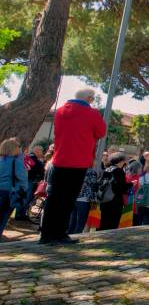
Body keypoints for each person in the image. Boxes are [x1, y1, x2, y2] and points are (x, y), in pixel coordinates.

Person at [39, 89, 106, 245]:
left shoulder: (60, 111)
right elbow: (101, 132)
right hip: (79, 162)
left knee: (54, 199)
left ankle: (46, 234)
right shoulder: (92, 113)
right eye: (92, 99)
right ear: (89, 98)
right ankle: (60, 234)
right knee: (68, 200)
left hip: (59, 160)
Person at [0, 138, 28, 240]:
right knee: (4, 215)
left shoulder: (1, 159)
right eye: (18, 146)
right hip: (8, 192)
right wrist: (23, 190)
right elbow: (22, 177)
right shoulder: (16, 162)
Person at [98, 153, 130, 231]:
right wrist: (131, 184)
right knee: (112, 224)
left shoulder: (107, 169)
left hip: (104, 200)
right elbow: (120, 188)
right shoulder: (119, 171)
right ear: (120, 161)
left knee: (103, 223)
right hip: (115, 201)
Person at [15, 145, 45, 221]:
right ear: (37, 151)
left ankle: (21, 214)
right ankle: (19, 215)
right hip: (29, 181)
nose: (42, 153)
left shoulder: (30, 157)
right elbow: (36, 168)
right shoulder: (32, 158)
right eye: (41, 151)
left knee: (26, 198)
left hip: (28, 180)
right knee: (26, 198)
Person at [67, 167, 99, 235]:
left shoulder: (74, 169)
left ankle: (69, 236)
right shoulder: (90, 171)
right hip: (84, 198)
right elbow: (93, 184)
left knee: (72, 220)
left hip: (73, 197)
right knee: (80, 221)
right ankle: (76, 236)